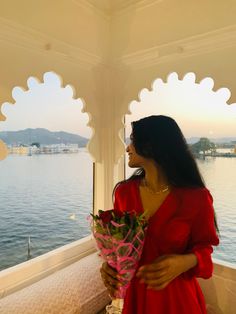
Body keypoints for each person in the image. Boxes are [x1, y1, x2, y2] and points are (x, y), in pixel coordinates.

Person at [100, 115, 219, 314]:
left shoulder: (196, 198)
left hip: (177, 301)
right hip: (136, 299)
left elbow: (205, 251)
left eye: (133, 140)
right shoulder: (124, 193)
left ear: (152, 145)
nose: (128, 148)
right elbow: (118, 246)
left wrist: (184, 262)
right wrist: (109, 266)